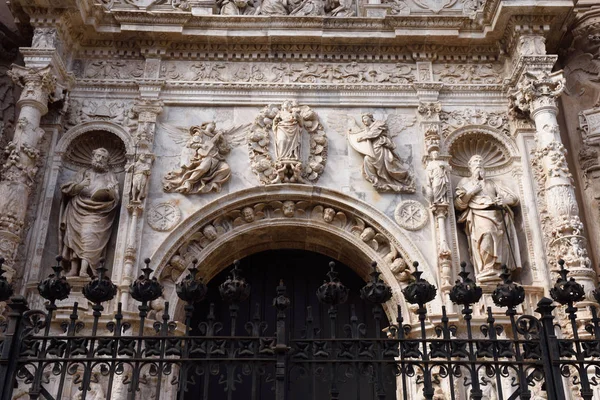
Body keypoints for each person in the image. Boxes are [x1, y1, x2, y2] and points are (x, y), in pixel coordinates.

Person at [454, 155, 521, 281]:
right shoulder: (465, 182)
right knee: (487, 234)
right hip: (479, 215)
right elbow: (459, 204)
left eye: (480, 161)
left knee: (499, 241)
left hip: (496, 214)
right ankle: (487, 268)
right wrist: (472, 191)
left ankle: (498, 268)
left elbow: (514, 198)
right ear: (469, 166)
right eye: (475, 161)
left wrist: (503, 200)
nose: (478, 163)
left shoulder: (492, 183)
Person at [60, 148, 120, 277]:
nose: (100, 159)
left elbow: (116, 196)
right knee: (76, 237)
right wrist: (80, 185)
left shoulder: (110, 176)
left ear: (107, 161)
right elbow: (67, 189)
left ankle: (84, 269)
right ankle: (74, 269)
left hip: (98, 212)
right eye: (98, 156)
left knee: (89, 236)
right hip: (78, 208)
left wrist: (110, 192)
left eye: (103, 158)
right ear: (93, 156)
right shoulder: (83, 172)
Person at [163, 122, 231, 194]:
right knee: (203, 168)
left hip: (216, 158)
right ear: (205, 125)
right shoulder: (200, 133)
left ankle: (213, 183)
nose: (214, 126)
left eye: (214, 125)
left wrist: (222, 138)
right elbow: (190, 145)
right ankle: (188, 182)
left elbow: (224, 150)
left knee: (226, 168)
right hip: (204, 157)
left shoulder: (216, 137)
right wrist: (201, 146)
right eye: (212, 124)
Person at [353, 113, 414, 192]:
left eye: (365, 118)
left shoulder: (379, 124)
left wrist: (362, 137)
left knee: (389, 165)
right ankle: (376, 181)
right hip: (374, 147)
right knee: (367, 159)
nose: (363, 121)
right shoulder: (368, 128)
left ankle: (401, 178)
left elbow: (374, 134)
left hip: (380, 146)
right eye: (363, 120)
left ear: (370, 118)